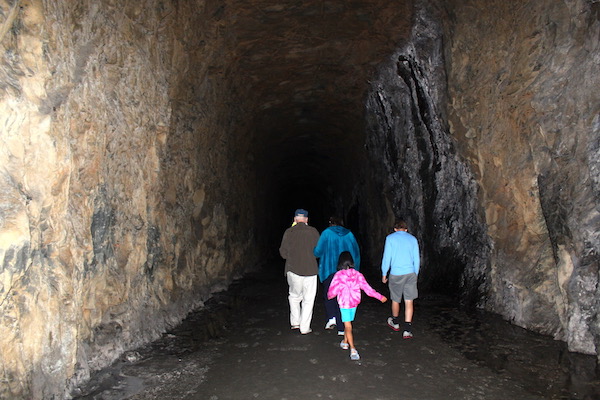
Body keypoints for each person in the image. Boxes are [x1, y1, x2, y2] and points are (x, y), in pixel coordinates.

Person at [328, 251, 387, 360]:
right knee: (348, 323)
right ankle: (345, 342)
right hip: (354, 302)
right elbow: (368, 289)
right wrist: (379, 296)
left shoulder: (339, 275)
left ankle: (353, 349)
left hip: (344, 303)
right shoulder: (357, 274)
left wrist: (330, 296)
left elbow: (332, 290)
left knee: (348, 326)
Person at [313, 216, 360, 336]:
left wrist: (314, 251)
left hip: (329, 269)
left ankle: (331, 317)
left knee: (329, 294)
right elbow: (356, 253)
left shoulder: (326, 233)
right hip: (345, 270)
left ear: (330, 223)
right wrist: (355, 271)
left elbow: (318, 251)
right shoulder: (349, 234)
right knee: (343, 298)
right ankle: (341, 327)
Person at [279, 209, 320, 334]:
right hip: (310, 270)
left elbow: (283, 252)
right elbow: (318, 251)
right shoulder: (313, 232)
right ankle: (304, 327)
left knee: (294, 296)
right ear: (306, 219)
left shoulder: (289, 232)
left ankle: (295, 322)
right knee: (308, 299)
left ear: (295, 219)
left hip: (293, 269)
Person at [381, 219, 420, 339]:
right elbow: (417, 258)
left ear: (395, 229)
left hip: (396, 273)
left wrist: (384, 274)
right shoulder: (413, 239)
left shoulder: (390, 238)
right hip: (410, 273)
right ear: (406, 229)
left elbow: (387, 257)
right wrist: (416, 274)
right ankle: (407, 330)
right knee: (409, 301)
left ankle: (396, 322)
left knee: (396, 299)